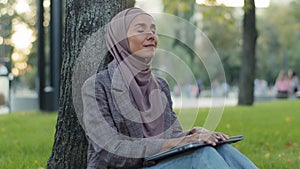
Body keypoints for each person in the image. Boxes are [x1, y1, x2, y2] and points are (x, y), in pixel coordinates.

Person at [81, 7, 258, 169]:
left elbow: (174, 137)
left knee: (219, 148)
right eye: (141, 29)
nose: (151, 35)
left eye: (153, 30)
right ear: (120, 39)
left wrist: (197, 134)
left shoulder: (160, 85)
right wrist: (185, 141)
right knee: (201, 154)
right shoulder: (97, 86)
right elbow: (111, 152)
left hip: (162, 163)